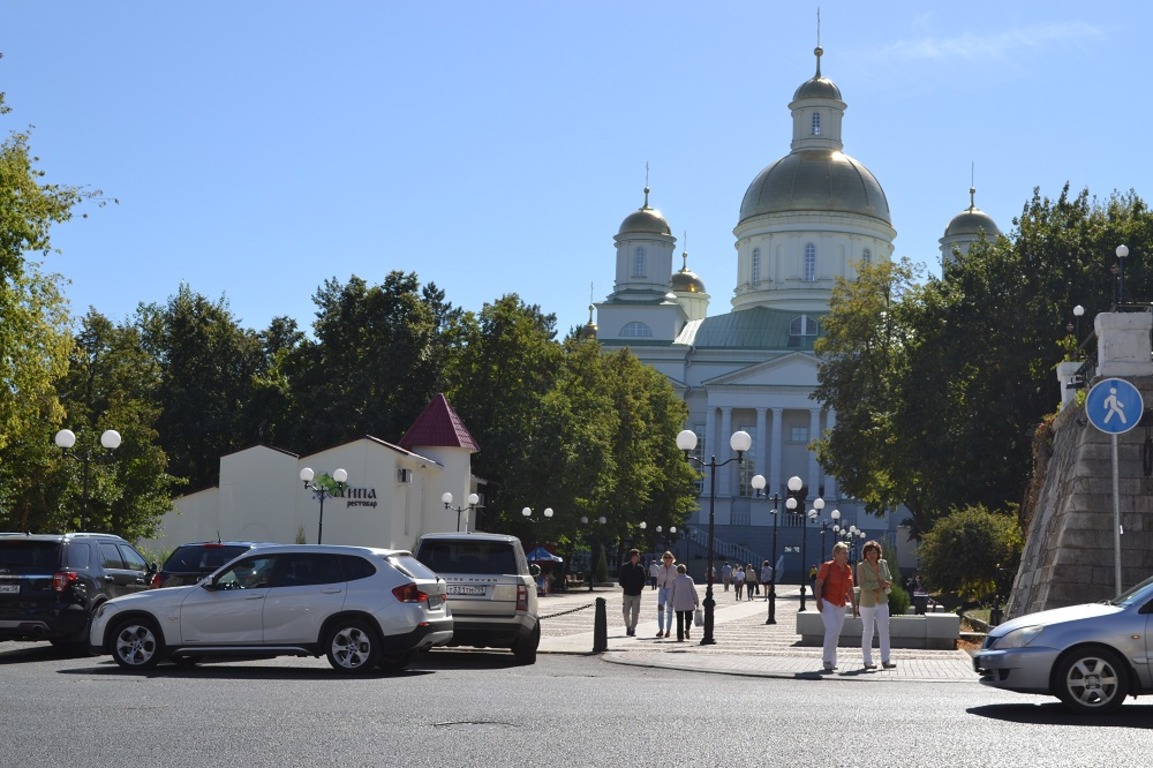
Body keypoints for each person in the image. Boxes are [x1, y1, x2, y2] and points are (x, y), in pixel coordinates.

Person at [814, 542, 857, 671]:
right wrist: (818, 601)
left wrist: (854, 606)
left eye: (847, 552)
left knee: (836, 633)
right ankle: (827, 659)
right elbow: (818, 584)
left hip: (841, 604)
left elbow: (850, 590)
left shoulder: (848, 569)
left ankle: (832, 661)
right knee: (832, 629)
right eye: (844, 552)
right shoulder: (827, 567)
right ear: (836, 554)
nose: (846, 555)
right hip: (828, 602)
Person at [858, 540, 896, 670]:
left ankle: (886, 660)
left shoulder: (883, 563)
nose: (872, 555)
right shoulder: (861, 566)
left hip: (882, 601)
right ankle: (868, 661)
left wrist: (886, 583)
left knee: (884, 631)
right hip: (867, 603)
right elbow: (862, 585)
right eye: (869, 553)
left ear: (878, 553)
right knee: (868, 631)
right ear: (865, 554)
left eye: (874, 552)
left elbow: (889, 579)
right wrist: (878, 584)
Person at [618, 548, 646, 637]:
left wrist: (640, 588)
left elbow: (643, 580)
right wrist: (625, 586)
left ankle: (633, 628)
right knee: (625, 612)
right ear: (631, 557)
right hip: (627, 593)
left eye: (637, 556)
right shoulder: (625, 567)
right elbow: (621, 579)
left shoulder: (640, 568)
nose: (636, 558)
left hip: (637, 594)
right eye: (635, 556)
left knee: (635, 612)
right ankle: (628, 626)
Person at [668, 563, 700, 641]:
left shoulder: (675, 580)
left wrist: (670, 601)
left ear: (677, 571)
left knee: (679, 620)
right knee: (689, 618)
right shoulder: (689, 579)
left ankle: (680, 637)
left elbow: (672, 592)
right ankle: (687, 629)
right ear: (685, 570)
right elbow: (693, 591)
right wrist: (696, 600)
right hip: (688, 602)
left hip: (678, 603)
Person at [654, 551, 677, 638]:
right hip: (662, 589)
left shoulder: (675, 568)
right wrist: (658, 583)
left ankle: (668, 630)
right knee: (660, 609)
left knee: (669, 610)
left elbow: (677, 579)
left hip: (670, 589)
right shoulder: (660, 568)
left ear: (672, 559)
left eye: (669, 557)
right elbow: (658, 577)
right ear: (663, 559)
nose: (667, 559)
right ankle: (661, 629)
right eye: (665, 557)